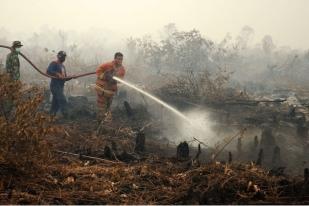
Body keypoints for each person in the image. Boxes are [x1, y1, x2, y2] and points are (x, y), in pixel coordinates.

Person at [95, 52, 125, 123]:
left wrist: (114, 79)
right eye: (118, 59)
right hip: (102, 90)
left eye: (121, 59)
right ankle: (100, 123)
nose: (120, 61)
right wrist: (105, 76)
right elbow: (98, 71)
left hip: (110, 92)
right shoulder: (107, 65)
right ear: (115, 59)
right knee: (101, 107)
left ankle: (105, 121)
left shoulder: (122, 69)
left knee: (108, 107)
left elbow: (120, 79)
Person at [46, 51, 72, 117]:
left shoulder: (63, 66)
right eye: (62, 56)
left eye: (64, 57)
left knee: (56, 102)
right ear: (59, 56)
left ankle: (51, 115)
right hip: (55, 85)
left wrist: (71, 77)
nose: (64, 58)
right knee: (62, 99)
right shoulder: (54, 63)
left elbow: (64, 78)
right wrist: (57, 74)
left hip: (60, 86)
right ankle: (66, 114)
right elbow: (48, 71)